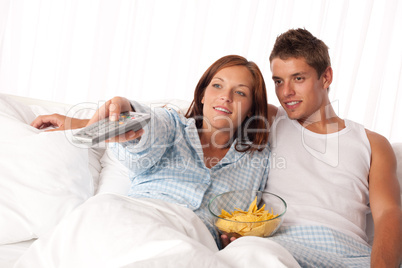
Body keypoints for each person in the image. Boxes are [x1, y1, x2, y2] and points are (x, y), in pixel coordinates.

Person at [31, 55, 271, 247]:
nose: (225, 97)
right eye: (217, 85)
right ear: (202, 95)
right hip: (130, 220)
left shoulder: (258, 159)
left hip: (193, 244)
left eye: (240, 92)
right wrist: (126, 111)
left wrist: (239, 240)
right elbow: (149, 126)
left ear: (252, 107)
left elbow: (246, 221)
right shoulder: (172, 125)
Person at [223, 28, 402, 267]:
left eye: (298, 78)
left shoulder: (372, 143)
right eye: (278, 81)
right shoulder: (268, 119)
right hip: (276, 246)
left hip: (347, 253)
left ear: (326, 77)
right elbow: (212, 114)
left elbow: (388, 214)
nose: (285, 92)